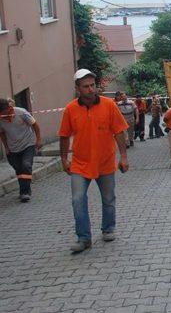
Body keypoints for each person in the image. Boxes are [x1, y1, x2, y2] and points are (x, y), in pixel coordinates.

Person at [59, 69, 129, 253]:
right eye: (86, 86)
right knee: (77, 199)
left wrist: (123, 157)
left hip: (105, 162)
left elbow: (119, 131)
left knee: (108, 198)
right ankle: (83, 238)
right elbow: (64, 136)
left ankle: (108, 228)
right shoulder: (70, 109)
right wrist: (64, 158)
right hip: (80, 163)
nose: (91, 90)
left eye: (92, 85)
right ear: (77, 89)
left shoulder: (109, 105)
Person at [0, 98, 42, 202]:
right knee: (19, 170)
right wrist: (6, 148)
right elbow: (2, 134)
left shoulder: (21, 112)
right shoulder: (0, 119)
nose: (3, 115)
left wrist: (38, 140)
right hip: (13, 148)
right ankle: (24, 190)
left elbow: (35, 125)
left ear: (9, 108)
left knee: (26, 165)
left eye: (3, 113)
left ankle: (25, 192)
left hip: (28, 144)